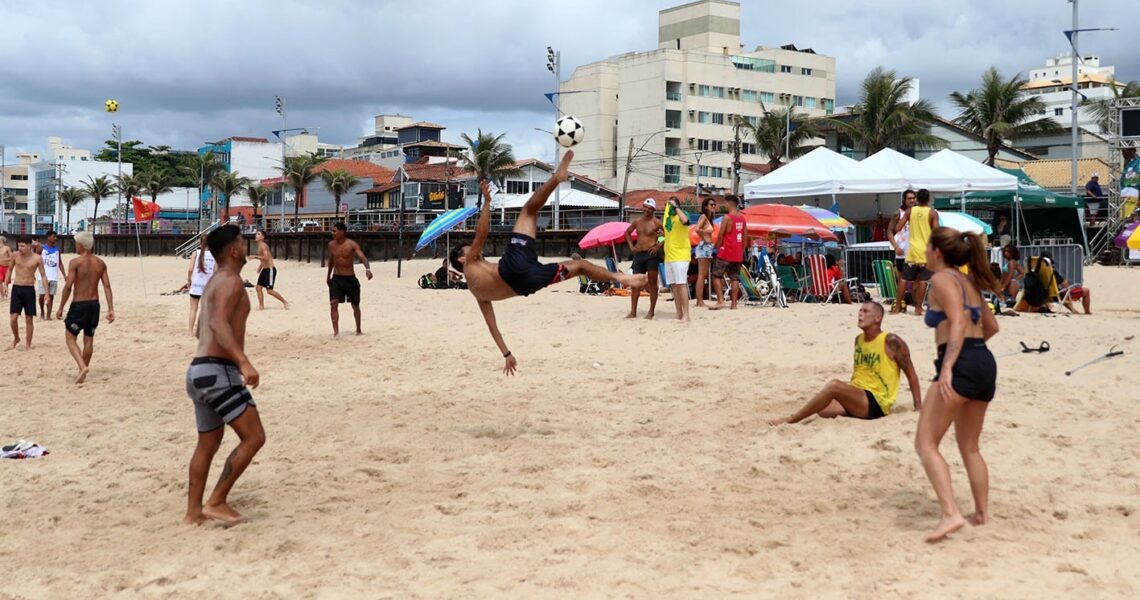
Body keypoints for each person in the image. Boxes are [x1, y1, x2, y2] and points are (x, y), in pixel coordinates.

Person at [450, 151, 645, 375]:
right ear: (462, 258)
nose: (475, 250)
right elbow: (481, 235)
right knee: (529, 211)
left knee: (580, 266)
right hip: (513, 266)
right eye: (469, 250)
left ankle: (623, 279)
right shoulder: (470, 263)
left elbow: (492, 326)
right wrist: (487, 203)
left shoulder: (479, 295)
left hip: (528, 283)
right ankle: (556, 179)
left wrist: (506, 354)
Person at [914, 227, 1001, 542]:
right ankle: (981, 513)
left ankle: (950, 513)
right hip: (983, 362)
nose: (924, 253)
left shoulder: (941, 279)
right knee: (970, 446)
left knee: (925, 443)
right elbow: (990, 326)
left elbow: (960, 321)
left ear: (937, 251)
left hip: (960, 363)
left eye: (927, 247)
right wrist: (972, 353)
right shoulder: (970, 282)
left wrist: (949, 366)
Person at [183, 224, 266, 525]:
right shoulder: (230, 281)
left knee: (207, 444)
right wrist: (243, 362)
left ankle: (193, 513)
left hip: (198, 371)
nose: (246, 247)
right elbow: (218, 324)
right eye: (243, 242)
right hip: (219, 371)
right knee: (254, 437)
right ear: (233, 250)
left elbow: (199, 330)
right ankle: (216, 501)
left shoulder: (213, 282)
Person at [768, 302, 921, 425]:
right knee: (820, 410)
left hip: (877, 401)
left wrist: (918, 408)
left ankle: (790, 420)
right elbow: (860, 372)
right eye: (860, 311)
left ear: (877, 318)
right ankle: (794, 417)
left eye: (866, 311)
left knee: (834, 385)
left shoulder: (891, 341)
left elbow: (911, 374)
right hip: (858, 395)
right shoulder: (858, 340)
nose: (860, 314)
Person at [54, 231, 115, 384]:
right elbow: (107, 286)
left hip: (79, 305)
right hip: (94, 305)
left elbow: (68, 286)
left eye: (76, 242)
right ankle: (83, 372)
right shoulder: (100, 263)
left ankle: (82, 367)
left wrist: (61, 306)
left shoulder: (75, 262)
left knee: (70, 338)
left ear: (81, 244)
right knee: (89, 339)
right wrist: (111, 309)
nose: (75, 245)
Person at [896, 189, 939, 316]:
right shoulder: (932, 213)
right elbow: (936, 232)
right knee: (923, 281)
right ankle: (918, 308)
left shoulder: (910, 211)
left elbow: (898, 228)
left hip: (912, 250)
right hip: (926, 252)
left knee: (904, 280)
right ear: (929, 199)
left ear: (917, 199)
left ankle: (897, 307)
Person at [326, 222, 373, 336]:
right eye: (332, 231)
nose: (332, 233)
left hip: (350, 279)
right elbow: (331, 260)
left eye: (335, 231)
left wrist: (367, 269)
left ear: (342, 232)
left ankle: (358, 329)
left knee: (355, 305)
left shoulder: (351, 244)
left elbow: (362, 257)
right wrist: (328, 276)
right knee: (333, 303)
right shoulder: (331, 245)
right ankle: (336, 332)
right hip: (337, 278)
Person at [5, 238, 47, 351]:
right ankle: (16, 338)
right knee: (13, 318)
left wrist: (46, 292)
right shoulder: (15, 255)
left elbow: (43, 275)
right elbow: (9, 269)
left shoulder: (37, 258)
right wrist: (5, 285)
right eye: (19, 246)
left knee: (29, 318)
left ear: (29, 246)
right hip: (17, 288)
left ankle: (28, 344)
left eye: (22, 246)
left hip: (29, 289)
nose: (20, 248)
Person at [624, 198, 663, 319]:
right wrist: (631, 246)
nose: (646, 209)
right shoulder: (637, 222)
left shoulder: (656, 222)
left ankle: (651, 311)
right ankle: (633, 311)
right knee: (636, 283)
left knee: (652, 283)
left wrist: (658, 246)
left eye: (649, 208)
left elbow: (664, 235)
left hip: (651, 255)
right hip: (639, 254)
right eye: (645, 207)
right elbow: (627, 232)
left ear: (653, 210)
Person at [710, 195, 748, 310]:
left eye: (726, 203)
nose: (725, 205)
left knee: (716, 275)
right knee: (734, 278)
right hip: (737, 253)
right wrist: (741, 251)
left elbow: (721, 235)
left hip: (726, 251)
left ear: (730, 204)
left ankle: (720, 301)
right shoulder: (742, 218)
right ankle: (734, 304)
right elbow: (745, 237)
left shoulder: (727, 218)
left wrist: (716, 246)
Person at [662, 196, 691, 321]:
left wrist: (676, 207)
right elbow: (664, 235)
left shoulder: (682, 215)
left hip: (681, 255)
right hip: (669, 256)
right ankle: (679, 312)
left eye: (671, 205)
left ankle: (686, 314)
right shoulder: (666, 219)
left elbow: (685, 221)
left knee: (681, 284)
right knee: (674, 286)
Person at [887, 190, 916, 313]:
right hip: (902, 250)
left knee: (916, 280)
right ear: (904, 200)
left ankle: (916, 306)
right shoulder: (898, 213)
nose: (912, 200)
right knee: (902, 280)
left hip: (915, 250)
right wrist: (895, 246)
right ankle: (900, 304)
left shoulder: (918, 212)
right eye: (909, 198)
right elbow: (889, 231)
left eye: (914, 198)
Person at [186, 234, 216, 335]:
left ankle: (190, 331)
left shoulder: (195, 253)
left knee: (193, 309)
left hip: (196, 285)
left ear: (200, 243)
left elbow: (190, 269)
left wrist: (189, 280)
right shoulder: (214, 254)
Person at [253, 230, 289, 310]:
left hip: (270, 270)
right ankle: (261, 306)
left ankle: (285, 302)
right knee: (258, 288)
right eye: (256, 234)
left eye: (258, 234)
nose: (256, 235)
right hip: (265, 270)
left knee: (269, 291)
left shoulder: (263, 246)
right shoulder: (259, 246)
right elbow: (265, 259)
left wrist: (255, 257)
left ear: (262, 237)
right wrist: (260, 267)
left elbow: (266, 258)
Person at [692, 197, 717, 307]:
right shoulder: (704, 217)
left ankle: (699, 300)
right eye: (711, 204)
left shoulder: (708, 218)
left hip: (706, 247)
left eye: (714, 204)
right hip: (704, 246)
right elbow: (697, 229)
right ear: (705, 206)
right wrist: (705, 238)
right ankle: (699, 301)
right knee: (702, 275)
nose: (713, 206)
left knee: (703, 275)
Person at [37, 231, 66, 321]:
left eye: (56, 237)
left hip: (53, 275)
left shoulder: (57, 250)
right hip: (43, 275)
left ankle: (48, 315)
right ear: (48, 237)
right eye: (54, 236)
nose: (55, 238)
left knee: (51, 296)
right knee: (42, 295)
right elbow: (35, 260)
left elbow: (60, 263)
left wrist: (64, 275)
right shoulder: (42, 248)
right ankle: (42, 311)